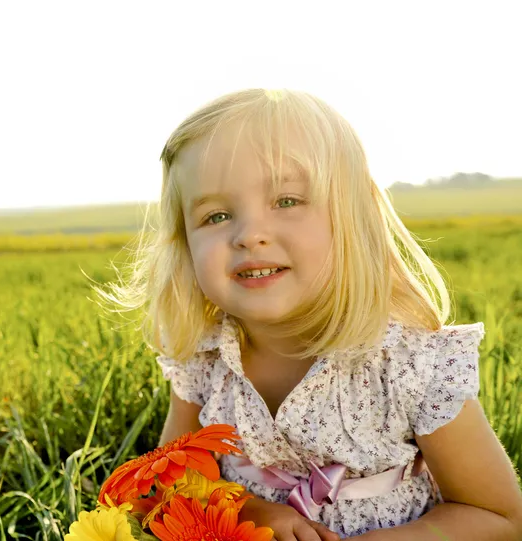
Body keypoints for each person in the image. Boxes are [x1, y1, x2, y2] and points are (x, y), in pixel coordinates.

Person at [107, 89, 522, 539]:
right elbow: (168, 485)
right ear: (184, 244)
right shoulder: (205, 359)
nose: (250, 234)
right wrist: (251, 512)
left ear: (352, 218)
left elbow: (498, 516)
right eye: (217, 215)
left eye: (286, 201)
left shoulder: (408, 362)